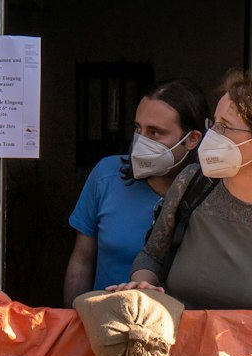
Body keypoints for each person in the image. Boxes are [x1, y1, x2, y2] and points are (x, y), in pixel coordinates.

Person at [112, 75, 252, 321]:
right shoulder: (192, 182)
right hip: (176, 346)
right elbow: (152, 256)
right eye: (213, 123)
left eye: (225, 126)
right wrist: (143, 286)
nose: (212, 134)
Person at [62, 79, 208, 303]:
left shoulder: (212, 194)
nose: (141, 141)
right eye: (138, 129)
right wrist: (71, 321)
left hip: (180, 328)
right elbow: (82, 261)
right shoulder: (106, 176)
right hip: (105, 325)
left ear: (192, 140)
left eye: (154, 132)